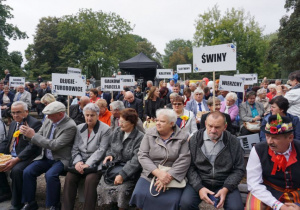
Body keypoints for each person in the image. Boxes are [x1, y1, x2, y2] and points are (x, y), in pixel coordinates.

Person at [180, 111, 245, 210]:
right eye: (210, 126)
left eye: (217, 127)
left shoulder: (233, 141)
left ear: (225, 127)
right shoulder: (195, 139)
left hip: (224, 182)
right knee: (186, 204)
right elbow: (190, 166)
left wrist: (226, 188)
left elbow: (239, 169)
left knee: (236, 208)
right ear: (205, 124)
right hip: (200, 181)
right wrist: (199, 187)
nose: (213, 130)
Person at [19, 101, 77, 210]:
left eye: (50, 115)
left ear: (60, 114)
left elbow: (54, 145)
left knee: (50, 175)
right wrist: (27, 134)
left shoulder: (70, 126)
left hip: (61, 159)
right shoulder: (49, 120)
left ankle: (53, 205)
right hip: (45, 157)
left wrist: (33, 135)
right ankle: (29, 202)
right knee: (27, 171)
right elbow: (39, 135)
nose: (48, 117)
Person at [130, 108, 191, 210]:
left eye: (162, 121)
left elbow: (184, 159)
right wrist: (158, 173)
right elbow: (142, 155)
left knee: (172, 201)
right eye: (157, 120)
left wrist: (168, 176)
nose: (158, 123)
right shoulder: (149, 133)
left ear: (171, 123)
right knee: (139, 194)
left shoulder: (182, 137)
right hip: (150, 173)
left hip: (173, 176)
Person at [62, 103, 111, 210]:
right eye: (87, 115)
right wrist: (78, 162)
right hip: (80, 163)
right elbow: (75, 148)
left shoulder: (105, 129)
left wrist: (87, 164)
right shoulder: (79, 128)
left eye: (92, 115)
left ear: (97, 115)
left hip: (95, 164)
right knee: (70, 177)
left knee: (90, 180)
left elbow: (101, 150)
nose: (89, 118)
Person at [246, 114, 300, 210]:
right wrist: (279, 206)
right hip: (266, 191)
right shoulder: (258, 150)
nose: (270, 141)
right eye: (267, 136)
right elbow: (254, 184)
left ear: (290, 138)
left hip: (296, 192)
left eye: (275, 137)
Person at [98, 108, 144, 209]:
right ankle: (111, 205)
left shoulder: (140, 137)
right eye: (120, 121)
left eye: (123, 122)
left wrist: (123, 174)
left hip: (129, 172)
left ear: (132, 123)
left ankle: (122, 207)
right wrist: (110, 154)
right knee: (103, 186)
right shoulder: (117, 131)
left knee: (122, 190)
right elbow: (110, 146)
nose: (120, 124)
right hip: (114, 167)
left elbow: (136, 160)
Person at [0, 101, 42, 209]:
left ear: (26, 112)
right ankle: (5, 192)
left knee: (16, 170)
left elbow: (32, 147)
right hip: (12, 154)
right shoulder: (14, 123)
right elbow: (7, 141)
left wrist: (17, 159)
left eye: (18, 112)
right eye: (13, 113)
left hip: (28, 156)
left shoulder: (34, 124)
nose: (15, 115)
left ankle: (16, 203)